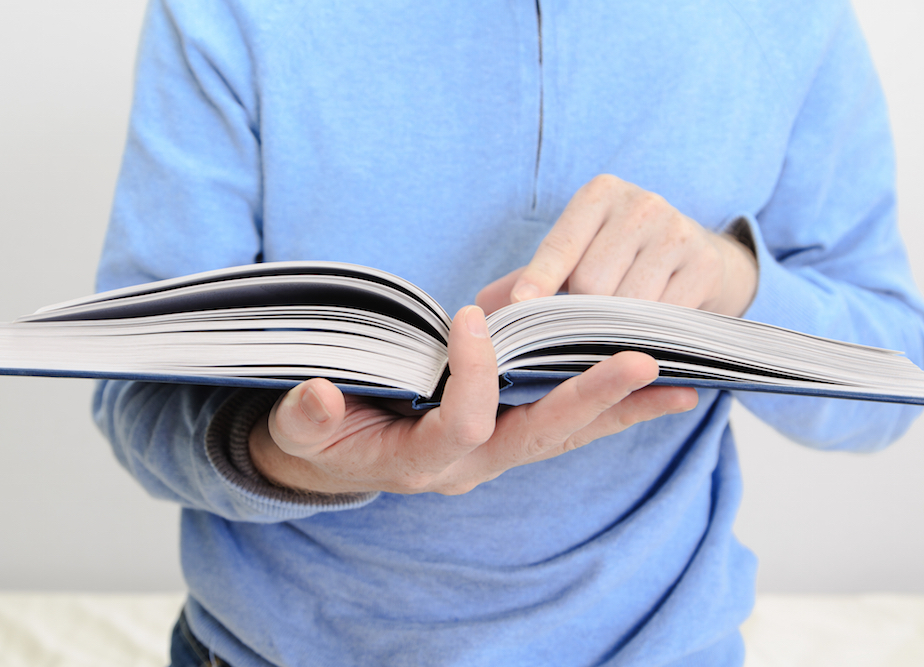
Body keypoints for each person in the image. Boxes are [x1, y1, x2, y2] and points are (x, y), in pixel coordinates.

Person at [93, 1, 924, 665]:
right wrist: (280, 453)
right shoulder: (223, 13)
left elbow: (895, 377)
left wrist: (732, 281)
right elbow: (136, 392)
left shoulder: (795, 17)